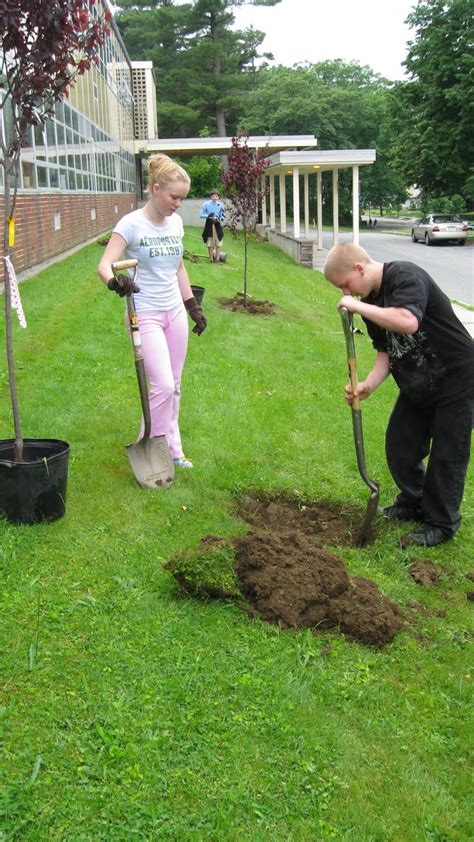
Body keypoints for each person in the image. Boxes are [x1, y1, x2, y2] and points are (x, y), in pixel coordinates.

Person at [323, 242, 473, 547]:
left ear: (360, 269)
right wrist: (367, 385)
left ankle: (441, 522)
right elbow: (387, 352)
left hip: (458, 379)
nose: (347, 294)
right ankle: (415, 500)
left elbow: (408, 321)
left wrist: (357, 306)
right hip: (420, 382)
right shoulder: (372, 300)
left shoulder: (405, 276)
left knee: (448, 453)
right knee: (400, 443)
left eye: (346, 285)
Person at [98, 153, 207, 470]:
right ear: (156, 189)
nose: (178, 204)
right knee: (162, 384)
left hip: (173, 311)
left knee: (175, 384)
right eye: (175, 197)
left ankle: (172, 448)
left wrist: (192, 307)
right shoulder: (131, 224)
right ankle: (151, 446)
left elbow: (179, 267)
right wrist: (114, 283)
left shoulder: (174, 223)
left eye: (182, 198)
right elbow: (104, 265)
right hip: (144, 313)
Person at [199, 190, 225, 262]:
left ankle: (217, 258)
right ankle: (211, 258)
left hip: (217, 224)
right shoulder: (205, 204)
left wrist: (217, 219)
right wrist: (209, 216)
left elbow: (222, 216)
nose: (215, 197)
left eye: (216, 196)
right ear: (211, 197)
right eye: (213, 196)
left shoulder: (220, 205)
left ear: (218, 197)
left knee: (219, 241)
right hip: (209, 224)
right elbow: (201, 215)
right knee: (210, 242)